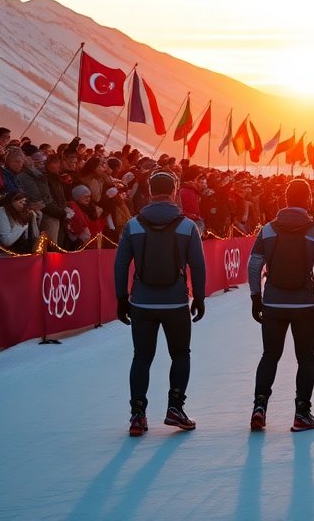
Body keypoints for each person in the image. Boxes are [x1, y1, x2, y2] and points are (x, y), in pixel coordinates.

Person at [113, 170, 206, 437]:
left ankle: (137, 414)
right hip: (175, 302)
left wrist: (121, 298)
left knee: (141, 357)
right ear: (175, 191)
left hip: (142, 302)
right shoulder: (187, 226)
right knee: (180, 354)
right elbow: (197, 266)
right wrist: (198, 297)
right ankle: (175, 408)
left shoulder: (133, 225)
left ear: (151, 192)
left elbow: (120, 265)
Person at [247, 178, 314, 432]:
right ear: (307, 200)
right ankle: (302, 413)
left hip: (273, 302)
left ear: (285, 200)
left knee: (270, 356)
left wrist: (255, 297)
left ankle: (259, 408)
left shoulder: (268, 230)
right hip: (304, 305)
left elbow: (254, 265)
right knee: (305, 358)